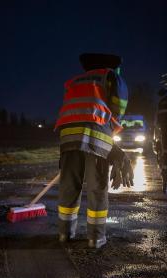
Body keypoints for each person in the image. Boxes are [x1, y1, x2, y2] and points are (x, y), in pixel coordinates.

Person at [55, 53, 134, 249]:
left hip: (67, 135)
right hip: (96, 133)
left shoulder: (74, 81)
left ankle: (65, 233)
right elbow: (118, 107)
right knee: (97, 186)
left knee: (69, 185)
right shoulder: (110, 77)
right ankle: (96, 237)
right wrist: (111, 134)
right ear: (111, 66)